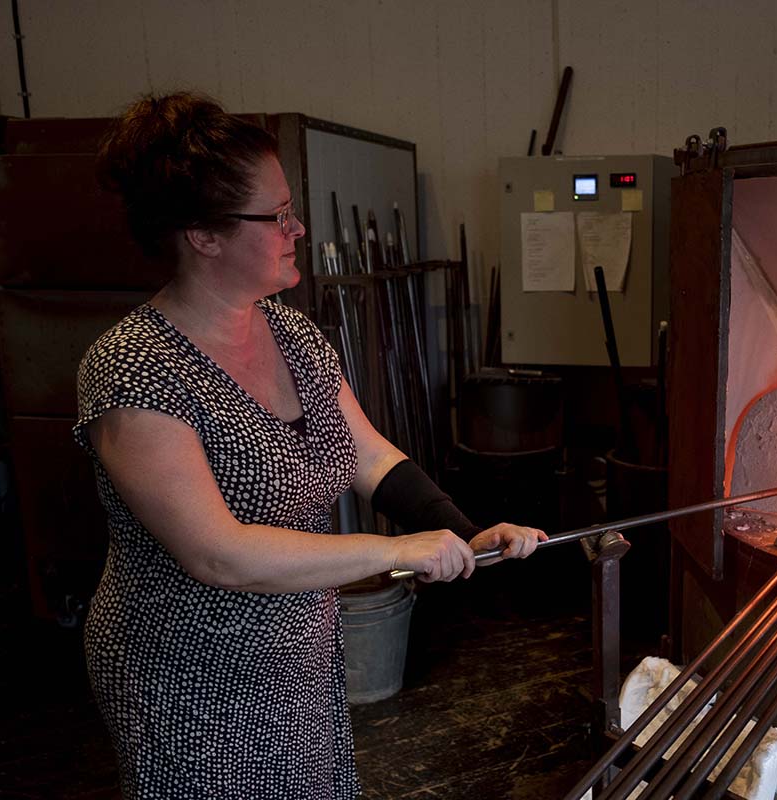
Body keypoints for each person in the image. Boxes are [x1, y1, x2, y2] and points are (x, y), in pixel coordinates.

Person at [73, 91, 547, 799]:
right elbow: (218, 553)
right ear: (203, 235)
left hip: (298, 651)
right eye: (276, 216)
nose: (297, 228)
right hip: (187, 675)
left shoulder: (292, 334)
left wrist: (460, 532)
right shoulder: (134, 370)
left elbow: (369, 456)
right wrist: (394, 551)